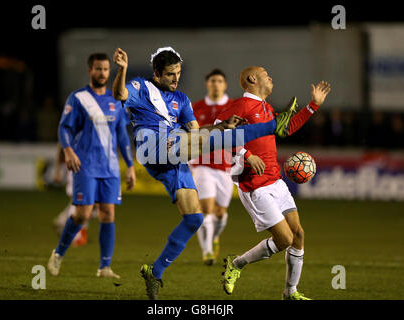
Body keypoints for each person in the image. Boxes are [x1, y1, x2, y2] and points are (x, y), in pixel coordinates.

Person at [111, 47, 297, 299]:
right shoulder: (141, 87)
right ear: (156, 73)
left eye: (177, 73)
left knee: (194, 219)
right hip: (152, 146)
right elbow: (119, 94)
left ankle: (154, 272)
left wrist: (222, 127)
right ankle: (274, 126)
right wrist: (122, 69)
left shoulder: (183, 100)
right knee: (204, 139)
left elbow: (199, 132)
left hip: (175, 158)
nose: (175, 79)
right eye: (169, 75)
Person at [217, 66, 331, 300]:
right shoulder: (240, 106)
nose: (271, 77)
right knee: (284, 239)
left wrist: (312, 106)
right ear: (252, 79)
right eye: (265, 73)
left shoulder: (265, 107)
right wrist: (247, 154)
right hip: (254, 185)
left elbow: (285, 128)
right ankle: (237, 264)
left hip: (275, 181)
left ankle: (290, 293)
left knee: (298, 235)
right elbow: (218, 134)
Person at [47, 53, 136, 280]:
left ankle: (104, 267)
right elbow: (63, 128)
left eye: (106, 69)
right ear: (90, 71)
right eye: (98, 69)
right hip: (84, 165)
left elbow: (122, 137)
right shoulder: (78, 98)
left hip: (110, 168)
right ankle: (58, 253)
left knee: (108, 214)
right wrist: (68, 150)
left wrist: (130, 166)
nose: (102, 73)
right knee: (81, 215)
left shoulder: (115, 100)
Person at [189, 68, 235, 265]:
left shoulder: (234, 106)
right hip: (201, 164)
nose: (215, 84)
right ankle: (207, 251)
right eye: (212, 81)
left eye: (219, 81)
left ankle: (214, 238)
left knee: (220, 214)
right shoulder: (195, 107)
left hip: (226, 166)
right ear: (207, 84)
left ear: (224, 85)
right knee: (206, 209)